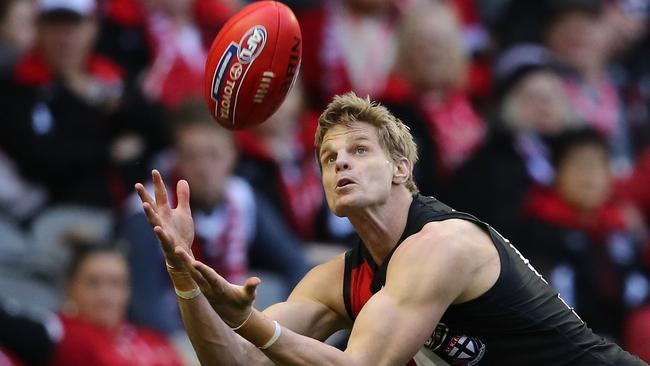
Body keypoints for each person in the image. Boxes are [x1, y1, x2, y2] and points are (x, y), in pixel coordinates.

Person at [135, 92, 646, 365]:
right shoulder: (335, 280)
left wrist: (251, 322)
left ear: (401, 168)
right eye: (329, 158)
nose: (340, 165)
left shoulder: (445, 243)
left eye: (359, 151)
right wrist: (183, 275)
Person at [120, 100, 309, 334]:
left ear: (232, 156)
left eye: (214, 155)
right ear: (175, 159)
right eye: (192, 157)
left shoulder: (242, 197)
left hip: (235, 327)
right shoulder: (148, 211)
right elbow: (146, 305)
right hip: (178, 336)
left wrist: (290, 329)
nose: (204, 168)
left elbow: (295, 264)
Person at [50, 243, 183, 366]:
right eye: (93, 283)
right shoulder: (57, 334)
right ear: (70, 288)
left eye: (116, 283)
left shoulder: (154, 341)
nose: (105, 295)